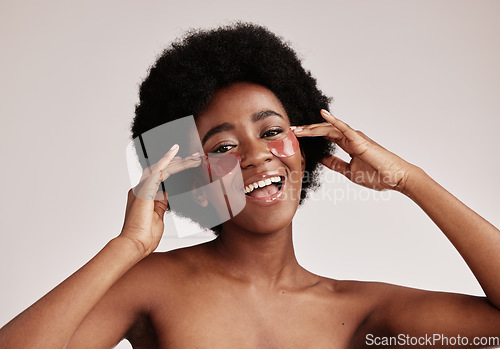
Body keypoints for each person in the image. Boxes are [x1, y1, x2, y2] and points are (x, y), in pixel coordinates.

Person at [1, 22, 499, 349]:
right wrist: (127, 246)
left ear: (304, 146)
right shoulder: (151, 285)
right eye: (222, 147)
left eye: (272, 131)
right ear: (188, 174)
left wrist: (411, 181)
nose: (257, 154)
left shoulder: (361, 312)